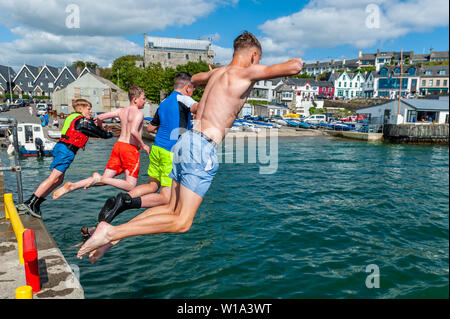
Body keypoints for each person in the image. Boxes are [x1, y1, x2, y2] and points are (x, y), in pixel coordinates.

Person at [77, 31, 303, 262]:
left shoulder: (217, 73)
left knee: (170, 207)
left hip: (185, 141)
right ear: (254, 55)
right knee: (182, 222)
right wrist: (296, 61)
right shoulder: (245, 72)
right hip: (202, 147)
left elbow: (194, 78)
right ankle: (111, 232)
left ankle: (112, 238)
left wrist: (212, 72)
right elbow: (294, 67)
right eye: (258, 58)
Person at [90, 73, 199, 228]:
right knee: (166, 198)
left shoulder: (164, 103)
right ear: (188, 87)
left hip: (157, 149)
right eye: (193, 90)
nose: (193, 93)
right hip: (171, 152)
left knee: (152, 186)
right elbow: (197, 107)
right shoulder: (184, 98)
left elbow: (151, 127)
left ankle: (120, 200)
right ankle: (128, 202)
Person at [52, 86, 150, 200]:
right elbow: (133, 131)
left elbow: (100, 117)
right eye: (143, 98)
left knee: (104, 179)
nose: (145, 101)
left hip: (118, 147)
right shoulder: (138, 113)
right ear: (135, 99)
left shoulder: (121, 111)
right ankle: (99, 179)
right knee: (131, 185)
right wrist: (143, 145)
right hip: (130, 149)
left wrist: (101, 129)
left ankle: (72, 186)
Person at [23, 99, 114, 218]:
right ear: (80, 108)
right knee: (53, 177)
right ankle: (30, 203)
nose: (91, 111)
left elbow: (87, 128)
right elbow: (99, 133)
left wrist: (95, 122)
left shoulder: (73, 117)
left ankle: (37, 202)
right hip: (66, 150)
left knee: (59, 180)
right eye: (89, 108)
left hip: (61, 147)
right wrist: (110, 133)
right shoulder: (82, 121)